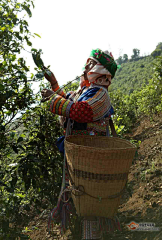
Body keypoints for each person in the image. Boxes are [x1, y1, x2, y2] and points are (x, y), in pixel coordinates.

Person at [41, 49, 119, 240]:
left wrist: (53, 98)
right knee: (80, 196)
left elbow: (79, 111)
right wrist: (54, 83)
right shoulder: (84, 91)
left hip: (92, 157)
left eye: (90, 64)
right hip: (80, 155)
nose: (85, 68)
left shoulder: (100, 95)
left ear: (100, 71)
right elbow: (67, 102)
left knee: (90, 199)